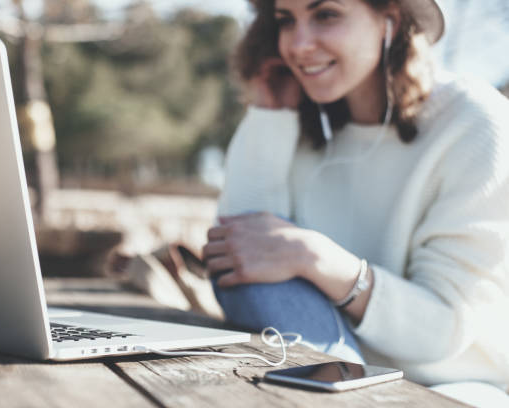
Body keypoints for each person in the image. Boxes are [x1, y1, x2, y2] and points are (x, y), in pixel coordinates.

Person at [202, 0, 509, 405]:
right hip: (327, 368)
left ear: (390, 20)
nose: (298, 44)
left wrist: (314, 256)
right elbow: (238, 254)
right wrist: (269, 115)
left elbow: (443, 331)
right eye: (285, 20)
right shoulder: (298, 122)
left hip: (452, 385)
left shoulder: (475, 123)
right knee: (244, 262)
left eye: (325, 14)